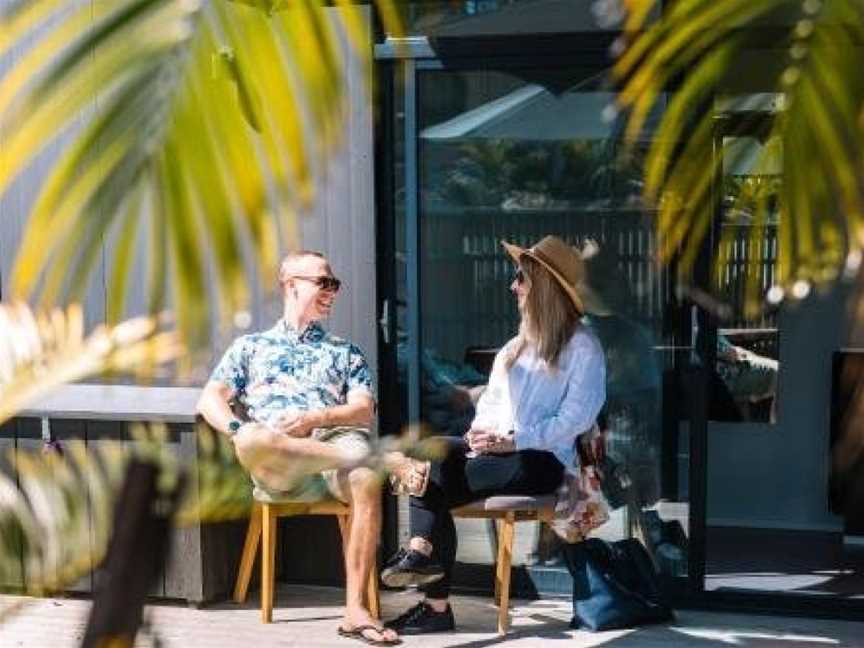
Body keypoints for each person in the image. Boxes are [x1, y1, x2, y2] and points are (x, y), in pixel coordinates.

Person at [380, 235, 607, 635]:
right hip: (499, 454)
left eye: (520, 277)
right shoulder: (514, 349)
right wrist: (479, 435)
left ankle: (429, 587)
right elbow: (490, 408)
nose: (512, 286)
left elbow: (575, 420)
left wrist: (512, 440)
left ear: (544, 286)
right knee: (430, 457)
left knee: (432, 483)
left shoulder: (584, 348)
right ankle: (423, 561)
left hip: (543, 460)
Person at [197, 251, 400, 647]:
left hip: (333, 449)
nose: (332, 291)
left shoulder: (346, 352)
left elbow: (362, 411)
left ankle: (356, 610)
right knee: (256, 438)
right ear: (291, 284)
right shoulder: (250, 348)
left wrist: (316, 419)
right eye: (323, 283)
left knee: (365, 478)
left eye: (334, 284)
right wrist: (237, 428)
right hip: (279, 462)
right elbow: (209, 400)